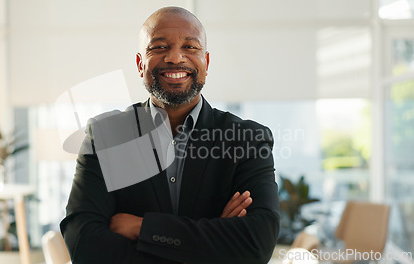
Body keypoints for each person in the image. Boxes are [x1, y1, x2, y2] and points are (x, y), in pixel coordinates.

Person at [60, 6, 280, 264]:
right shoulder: (106, 136)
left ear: (206, 63)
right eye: (160, 47)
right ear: (140, 64)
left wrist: (143, 229)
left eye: (190, 47)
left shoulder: (246, 139)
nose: (176, 58)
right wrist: (214, 243)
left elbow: (257, 244)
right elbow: (84, 245)